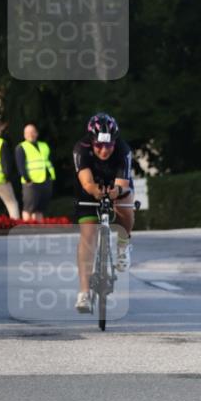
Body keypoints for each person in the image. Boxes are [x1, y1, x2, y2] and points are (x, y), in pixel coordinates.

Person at [72, 113, 135, 313]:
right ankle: (84, 293)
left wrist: (115, 193)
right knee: (87, 237)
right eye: (99, 145)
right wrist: (96, 192)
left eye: (109, 145)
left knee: (125, 204)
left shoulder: (123, 151)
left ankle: (123, 244)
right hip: (91, 188)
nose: (104, 150)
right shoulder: (80, 149)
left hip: (116, 186)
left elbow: (122, 185)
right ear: (91, 142)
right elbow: (87, 182)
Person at [16, 123, 56, 221]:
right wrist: (27, 179)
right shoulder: (21, 147)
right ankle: (27, 230)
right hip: (31, 182)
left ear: (37, 133)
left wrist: (50, 176)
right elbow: (20, 166)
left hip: (46, 180)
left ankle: (39, 230)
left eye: (33, 132)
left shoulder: (44, 145)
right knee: (28, 207)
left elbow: (49, 161)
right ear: (24, 135)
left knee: (40, 208)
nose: (31, 134)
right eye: (28, 133)